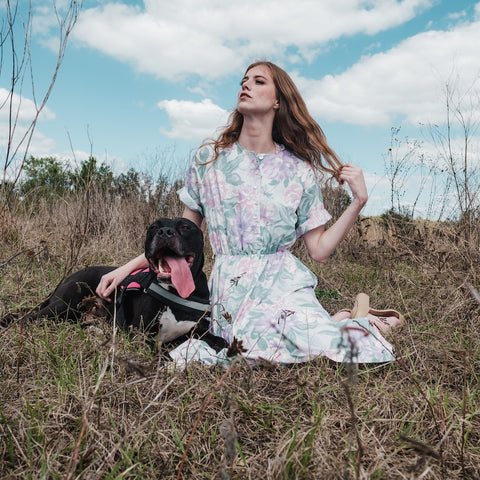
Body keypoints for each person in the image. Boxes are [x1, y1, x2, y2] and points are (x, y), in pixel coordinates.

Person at [97, 61, 400, 366]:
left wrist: (357, 201)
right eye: (244, 81)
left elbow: (319, 251)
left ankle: (352, 321)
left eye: (258, 82)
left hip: (283, 282)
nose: (246, 86)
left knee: (340, 351)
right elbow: (182, 237)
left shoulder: (298, 170)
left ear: (278, 100)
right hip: (232, 286)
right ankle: (341, 319)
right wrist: (124, 270)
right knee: (245, 353)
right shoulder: (209, 160)